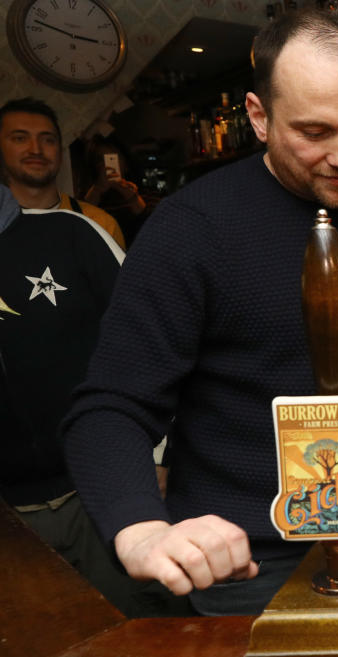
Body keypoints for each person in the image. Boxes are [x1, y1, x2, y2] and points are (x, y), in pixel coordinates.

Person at [63, 9, 338, 616]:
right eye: (315, 132)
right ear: (258, 117)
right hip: (244, 573)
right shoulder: (190, 230)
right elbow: (110, 407)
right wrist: (143, 530)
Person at [0, 183, 186, 616]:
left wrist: (158, 454)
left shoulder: (70, 232)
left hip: (101, 493)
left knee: (147, 629)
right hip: (10, 518)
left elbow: (152, 343)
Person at [0, 98, 132, 249]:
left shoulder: (100, 225)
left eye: (48, 140)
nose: (36, 149)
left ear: (60, 151)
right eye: (20, 139)